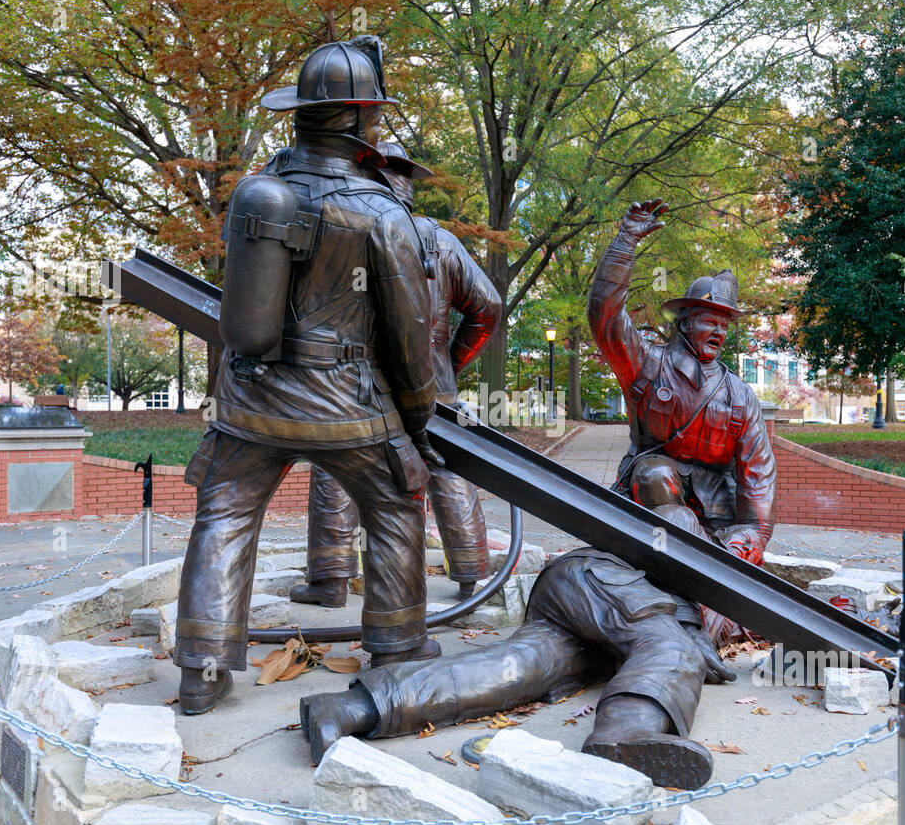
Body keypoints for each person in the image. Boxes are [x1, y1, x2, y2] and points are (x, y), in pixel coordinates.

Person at [173, 36, 440, 714]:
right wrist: (417, 415)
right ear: (360, 120)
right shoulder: (384, 214)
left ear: (302, 114)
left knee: (224, 515)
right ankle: (398, 645)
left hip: (249, 401)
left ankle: (201, 668)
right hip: (347, 406)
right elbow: (411, 333)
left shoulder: (257, 194)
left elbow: (241, 306)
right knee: (395, 507)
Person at [299, 505, 736, 790]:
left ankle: (349, 708)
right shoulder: (691, 528)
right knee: (673, 646)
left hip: (588, 620)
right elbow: (670, 548)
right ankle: (625, 731)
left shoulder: (734, 588)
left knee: (514, 668)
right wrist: (693, 629)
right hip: (601, 584)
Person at [292, 142, 501, 608]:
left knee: (336, 465)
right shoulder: (439, 240)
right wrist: (446, 362)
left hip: (359, 383)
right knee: (448, 467)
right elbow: (488, 307)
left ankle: (329, 581)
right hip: (432, 385)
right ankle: (472, 578)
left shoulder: (344, 229)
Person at [588, 199, 777, 642]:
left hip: (718, 512)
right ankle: (697, 605)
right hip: (653, 495)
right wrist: (625, 242)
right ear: (685, 323)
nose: (718, 333)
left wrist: (751, 537)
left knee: (722, 539)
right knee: (656, 475)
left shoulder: (738, 395)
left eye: (725, 327)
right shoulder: (647, 365)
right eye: (709, 322)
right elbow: (605, 317)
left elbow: (758, 476)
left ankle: (708, 609)